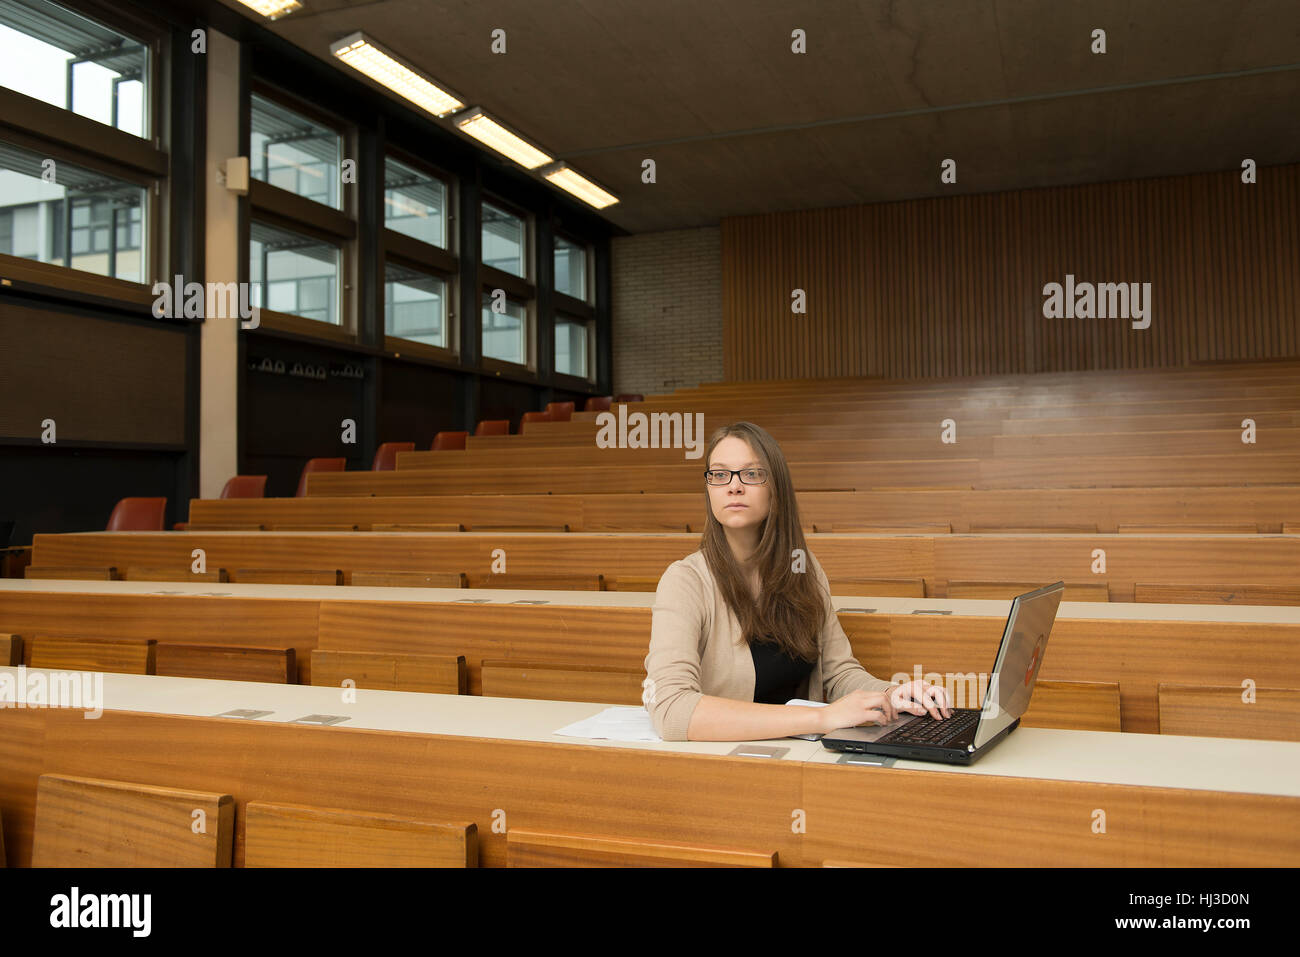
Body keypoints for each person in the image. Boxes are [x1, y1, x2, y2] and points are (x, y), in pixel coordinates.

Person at [643, 421, 952, 741]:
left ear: (776, 486)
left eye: (751, 474)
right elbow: (671, 708)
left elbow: (838, 675)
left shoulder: (804, 569)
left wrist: (892, 694)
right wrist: (820, 718)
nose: (733, 486)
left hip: (801, 756)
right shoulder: (685, 581)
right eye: (720, 474)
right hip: (727, 762)